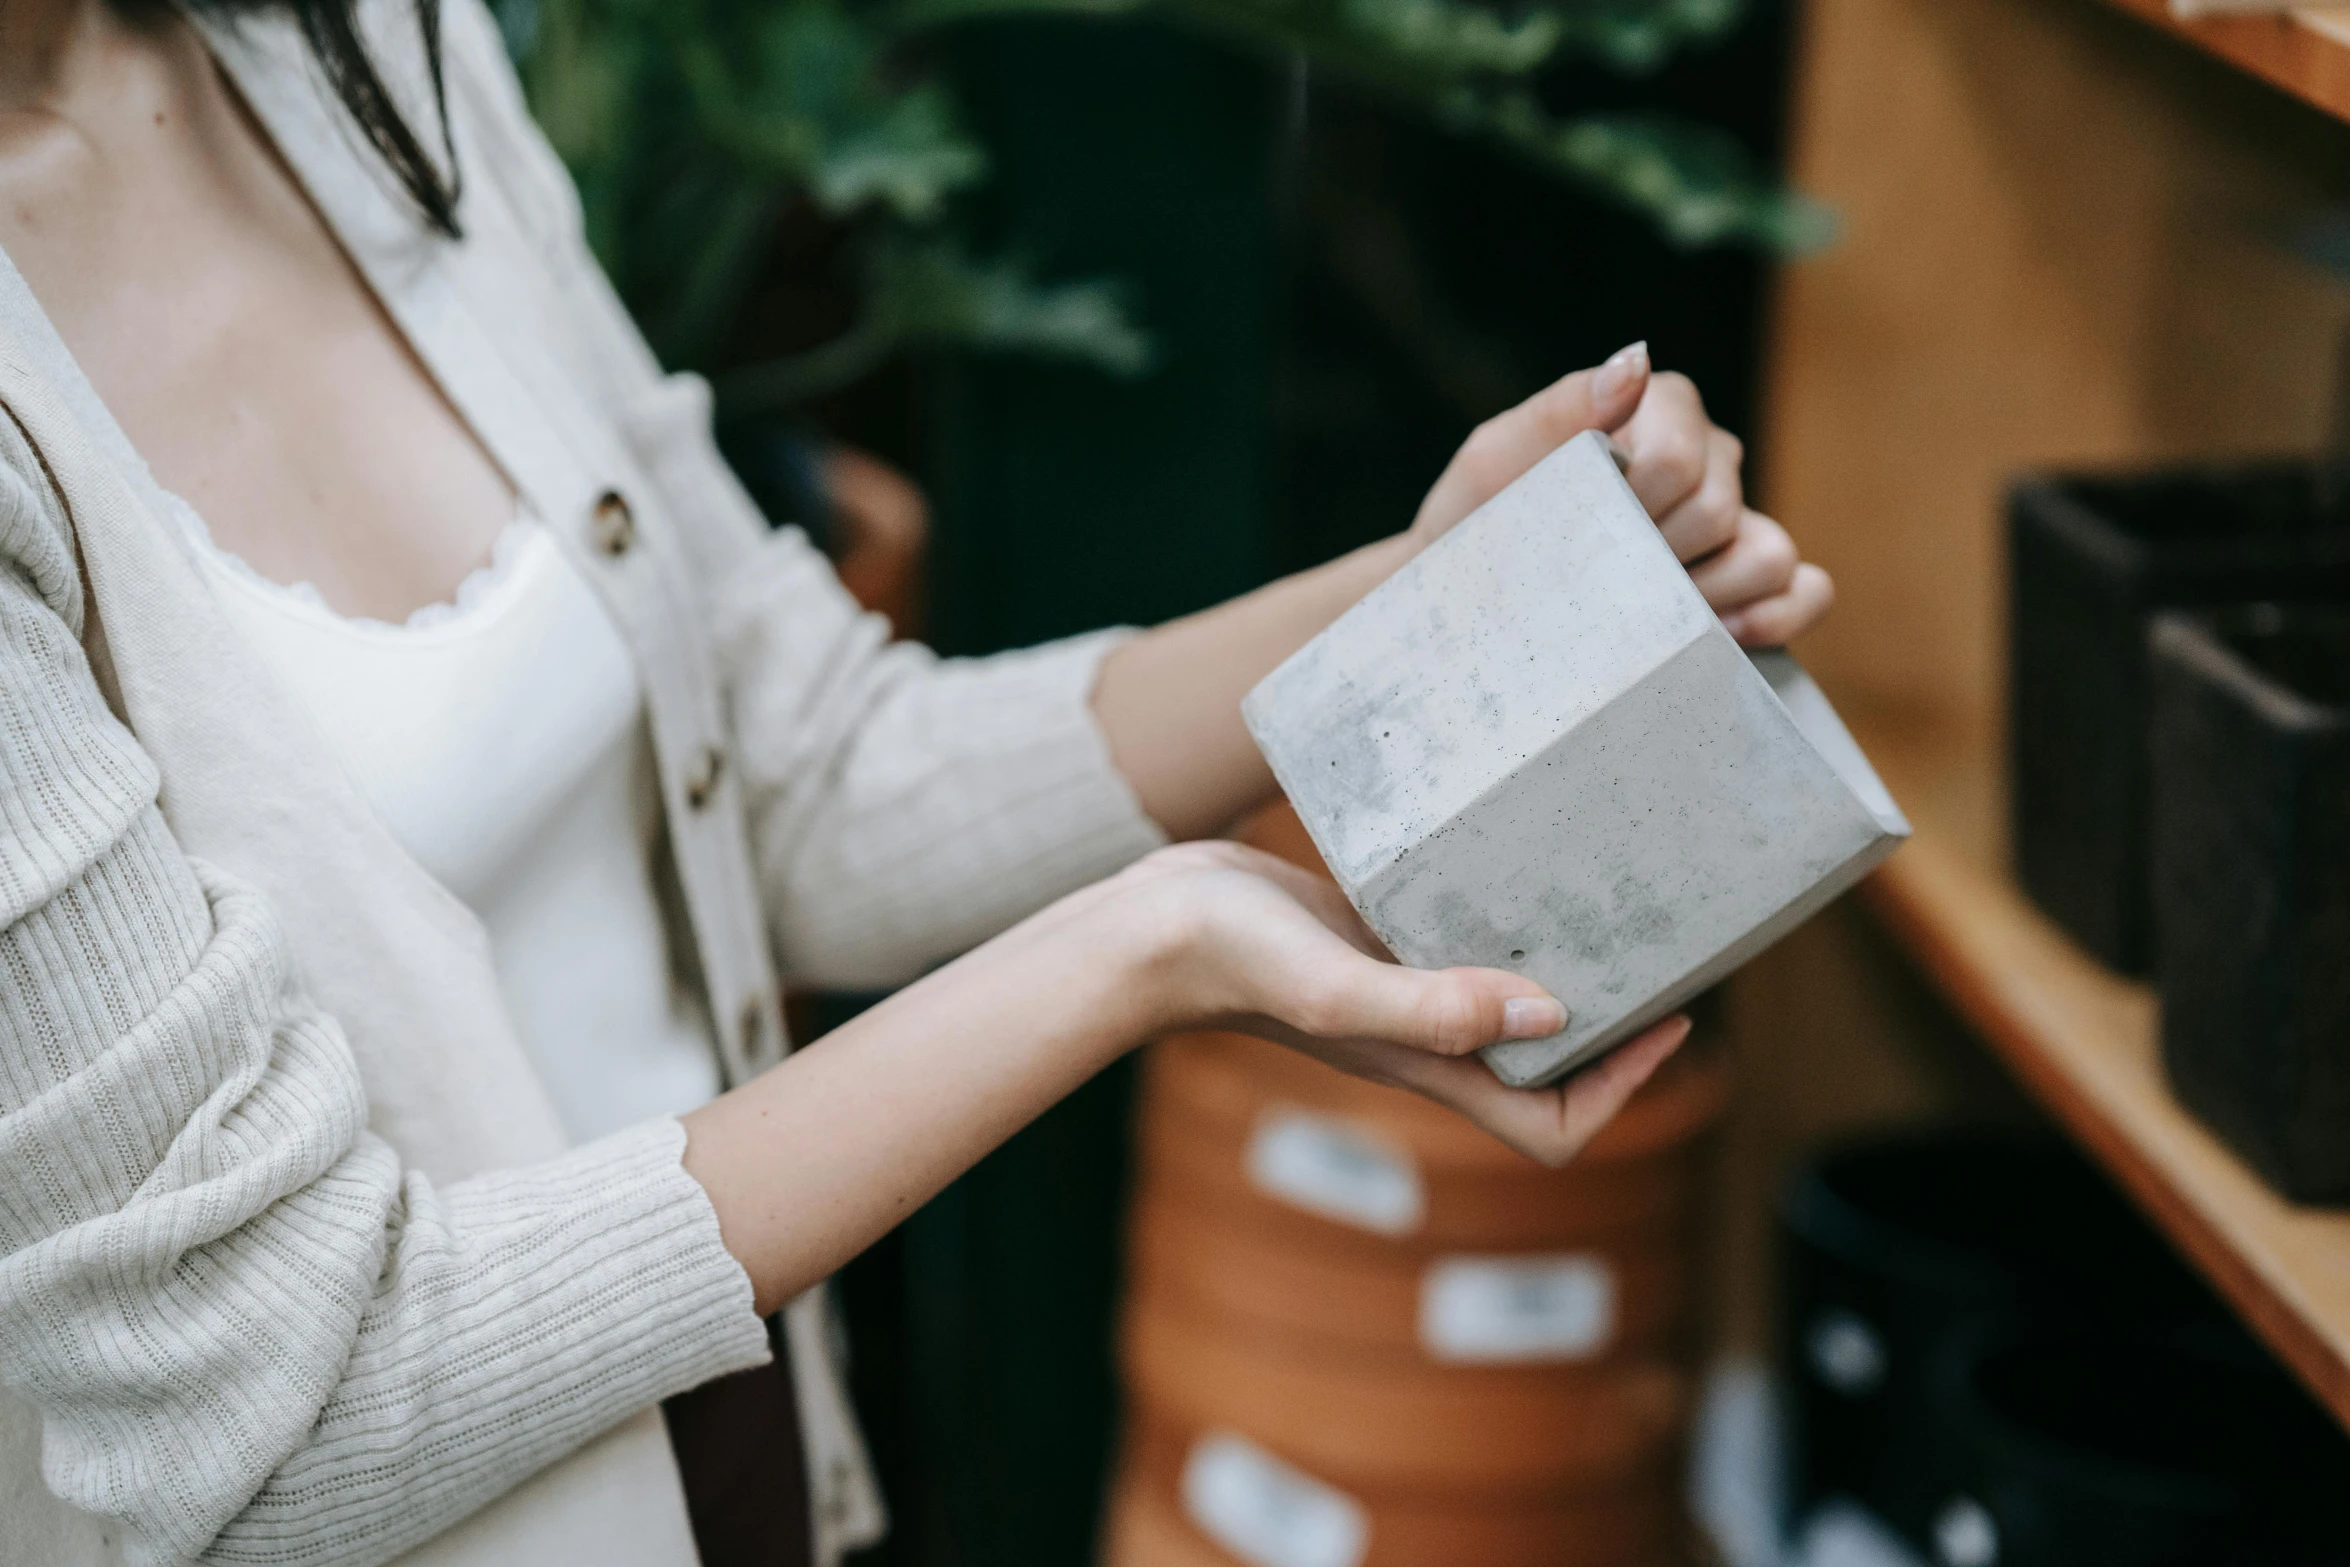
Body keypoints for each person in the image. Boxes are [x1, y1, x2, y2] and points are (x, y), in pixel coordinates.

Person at [0, 1, 1835, 1564]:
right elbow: (271, 1404)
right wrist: (1145, 954)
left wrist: (1426, 599)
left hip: (732, 1468)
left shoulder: (356, 56)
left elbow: (803, 780)